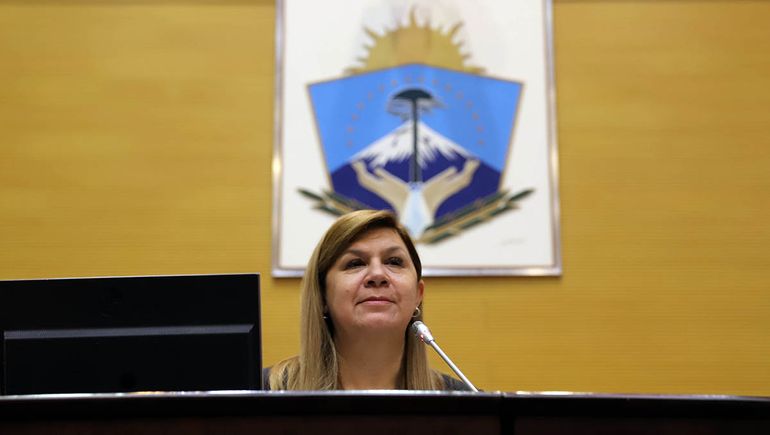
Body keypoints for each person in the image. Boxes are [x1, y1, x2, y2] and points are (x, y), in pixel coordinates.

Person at [264, 209, 471, 391]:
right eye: (355, 263)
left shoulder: (467, 407)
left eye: (394, 261)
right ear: (322, 296)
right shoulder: (259, 394)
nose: (377, 275)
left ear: (418, 294)